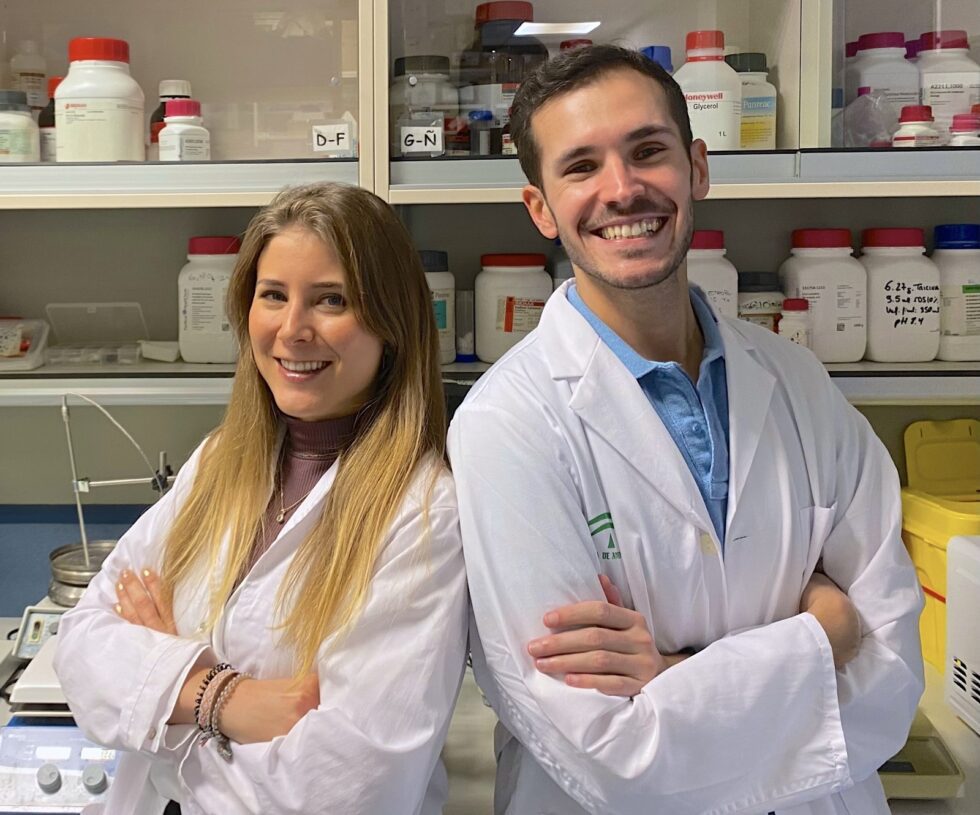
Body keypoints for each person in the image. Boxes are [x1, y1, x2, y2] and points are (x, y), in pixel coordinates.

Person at [448, 45, 924, 815]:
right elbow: (608, 755)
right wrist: (821, 634)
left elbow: (894, 672)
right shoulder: (508, 425)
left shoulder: (800, 384)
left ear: (697, 167)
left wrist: (681, 673)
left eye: (647, 151)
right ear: (540, 207)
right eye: (580, 167)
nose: (622, 188)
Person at [55, 183, 468, 814]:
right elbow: (81, 644)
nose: (292, 329)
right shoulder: (224, 459)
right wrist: (226, 701)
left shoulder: (423, 516)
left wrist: (163, 697)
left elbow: (344, 790)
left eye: (332, 300)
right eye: (273, 295)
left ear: (392, 321)